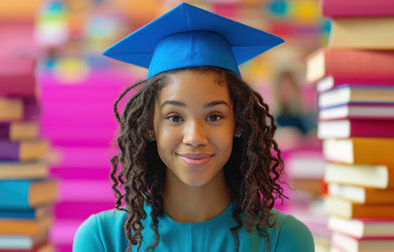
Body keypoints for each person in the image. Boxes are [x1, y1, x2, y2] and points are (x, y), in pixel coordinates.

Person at [73, 3, 314, 252]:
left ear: (238, 123)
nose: (195, 137)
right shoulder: (104, 239)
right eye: (175, 117)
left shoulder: (282, 239)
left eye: (214, 116)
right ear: (150, 126)